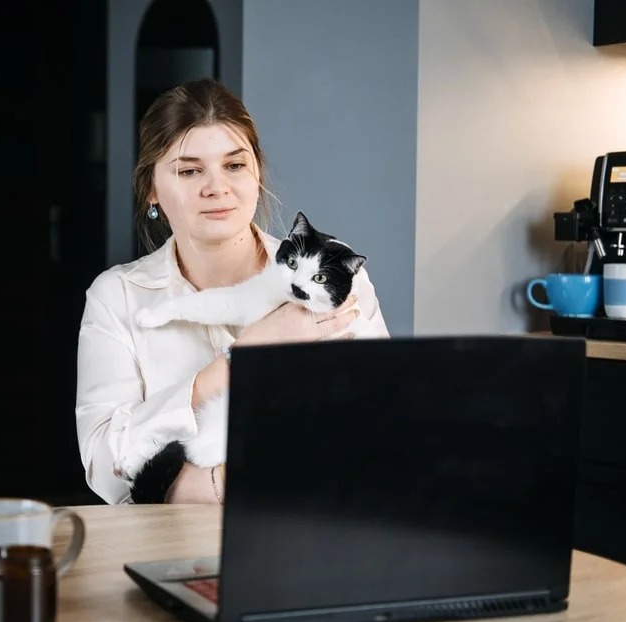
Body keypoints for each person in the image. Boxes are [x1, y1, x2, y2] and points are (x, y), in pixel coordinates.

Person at [75, 79, 390, 506]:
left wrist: (195, 485)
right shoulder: (117, 298)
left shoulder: (335, 278)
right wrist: (240, 359)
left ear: (257, 172)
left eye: (235, 165)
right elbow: (106, 468)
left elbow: (381, 426)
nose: (217, 188)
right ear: (151, 187)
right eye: (189, 170)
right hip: (169, 550)